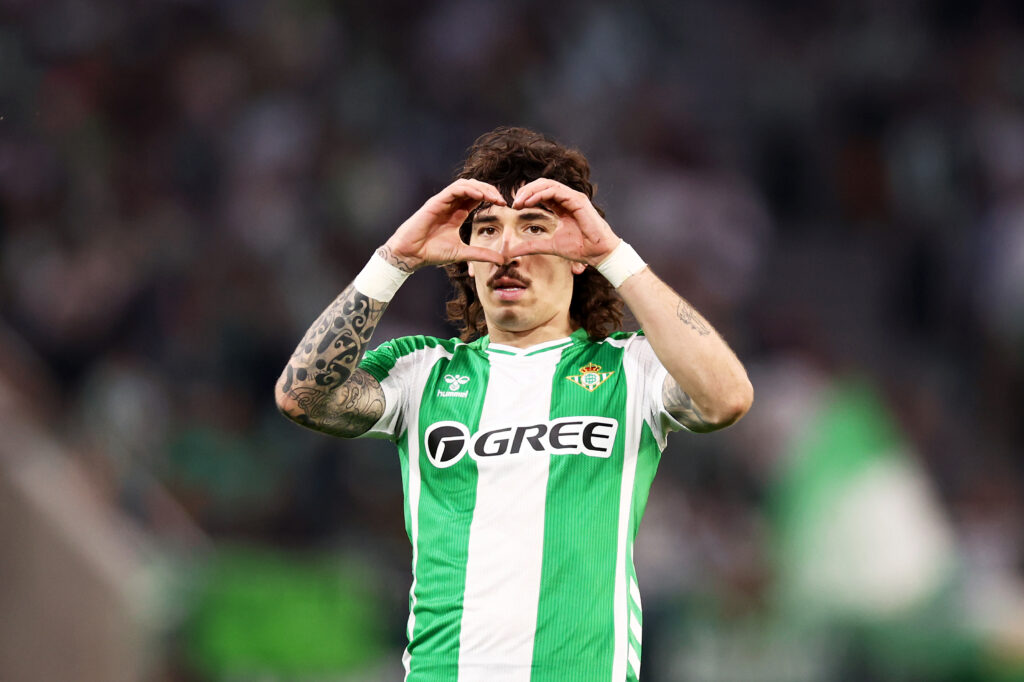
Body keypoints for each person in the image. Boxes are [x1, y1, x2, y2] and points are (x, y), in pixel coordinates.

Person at [275, 126, 753, 681]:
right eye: (487, 230)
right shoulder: (421, 371)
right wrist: (395, 258)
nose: (508, 251)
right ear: (468, 260)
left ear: (577, 252)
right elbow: (301, 396)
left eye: (534, 228)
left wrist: (614, 255)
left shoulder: (633, 369)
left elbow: (727, 399)